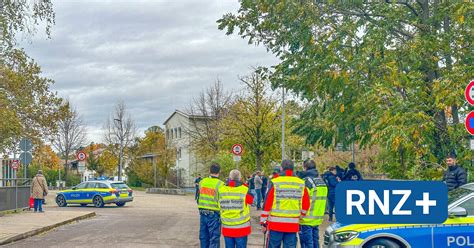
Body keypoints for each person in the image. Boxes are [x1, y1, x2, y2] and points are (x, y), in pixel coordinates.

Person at [261, 160, 310, 248]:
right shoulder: (301, 183)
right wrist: (301, 216)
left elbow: (267, 204)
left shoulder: (275, 182)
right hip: (292, 225)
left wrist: (264, 223)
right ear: (293, 168)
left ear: (281, 168)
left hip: (275, 225)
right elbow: (306, 204)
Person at [218, 170, 254, 248]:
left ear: (230, 177)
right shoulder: (245, 189)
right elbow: (251, 201)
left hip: (227, 226)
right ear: (240, 178)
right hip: (242, 227)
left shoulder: (221, 189)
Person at [298, 160, 327, 248]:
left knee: (307, 244)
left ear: (305, 168)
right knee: (315, 242)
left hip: (306, 218)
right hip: (317, 217)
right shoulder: (321, 181)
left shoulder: (306, 182)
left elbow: (302, 199)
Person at [198, 163, 223, 248]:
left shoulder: (202, 182)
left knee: (203, 237)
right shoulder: (221, 184)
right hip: (214, 215)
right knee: (214, 238)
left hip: (202, 213)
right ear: (219, 172)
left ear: (209, 171)